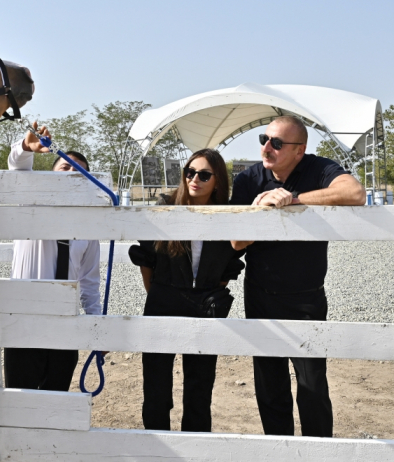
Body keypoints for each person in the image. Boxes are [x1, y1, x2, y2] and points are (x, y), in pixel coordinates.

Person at [230, 116, 366, 437]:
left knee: (313, 386)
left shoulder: (318, 169)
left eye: (277, 143)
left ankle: (318, 454)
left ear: (299, 150)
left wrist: (293, 199)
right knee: (270, 387)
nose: (267, 148)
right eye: (264, 139)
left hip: (307, 297)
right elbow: (235, 243)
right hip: (260, 294)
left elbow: (355, 193)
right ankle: (280, 453)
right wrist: (258, 213)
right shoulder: (248, 179)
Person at [129, 149, 245, 432]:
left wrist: (206, 291)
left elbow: (231, 264)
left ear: (217, 181)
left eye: (204, 175)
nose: (194, 179)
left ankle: (195, 447)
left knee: (200, 386)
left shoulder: (228, 215)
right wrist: (159, 293)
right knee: (156, 386)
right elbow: (146, 258)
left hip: (206, 304)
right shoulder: (165, 208)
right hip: (163, 299)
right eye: (190, 172)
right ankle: (158, 449)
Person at [3, 122, 102, 392]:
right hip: (24, 319)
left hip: (64, 322)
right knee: (19, 399)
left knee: (56, 399)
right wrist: (26, 147)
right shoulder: (31, 204)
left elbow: (90, 282)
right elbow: (17, 167)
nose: (72, 173)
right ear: (51, 174)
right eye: (65, 166)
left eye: (79, 170)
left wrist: (96, 328)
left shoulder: (89, 229)